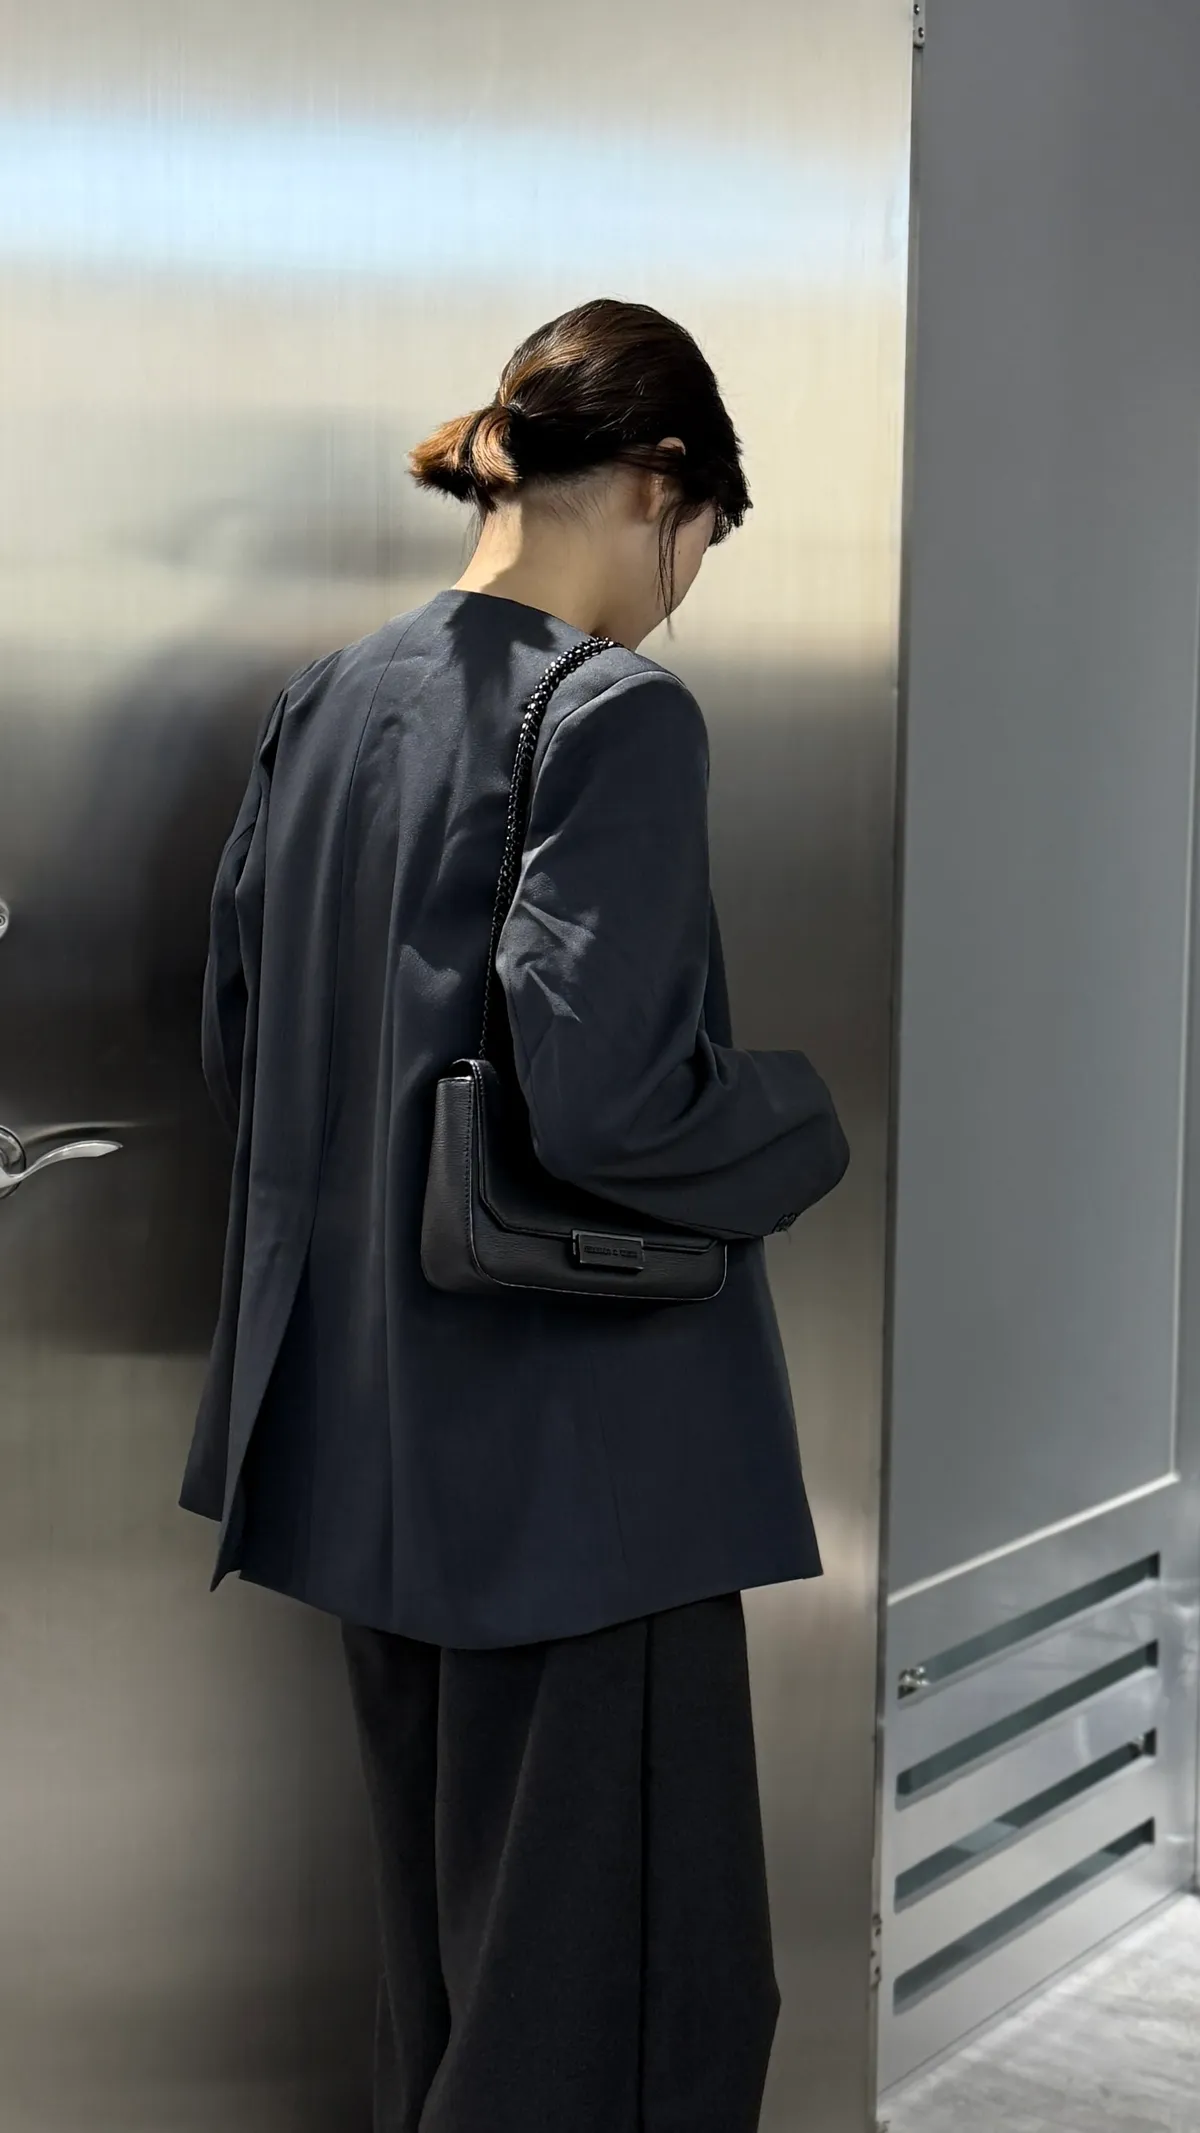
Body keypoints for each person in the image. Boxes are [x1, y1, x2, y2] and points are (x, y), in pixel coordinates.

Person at [181, 297, 849, 2133]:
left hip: (364, 1453)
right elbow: (610, 1097)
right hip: (580, 1478)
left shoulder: (324, 704)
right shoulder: (615, 713)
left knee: (465, 1995)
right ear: (657, 483)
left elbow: (246, 1047)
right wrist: (797, 1121)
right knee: (620, 2017)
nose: (679, 591)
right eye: (698, 542)